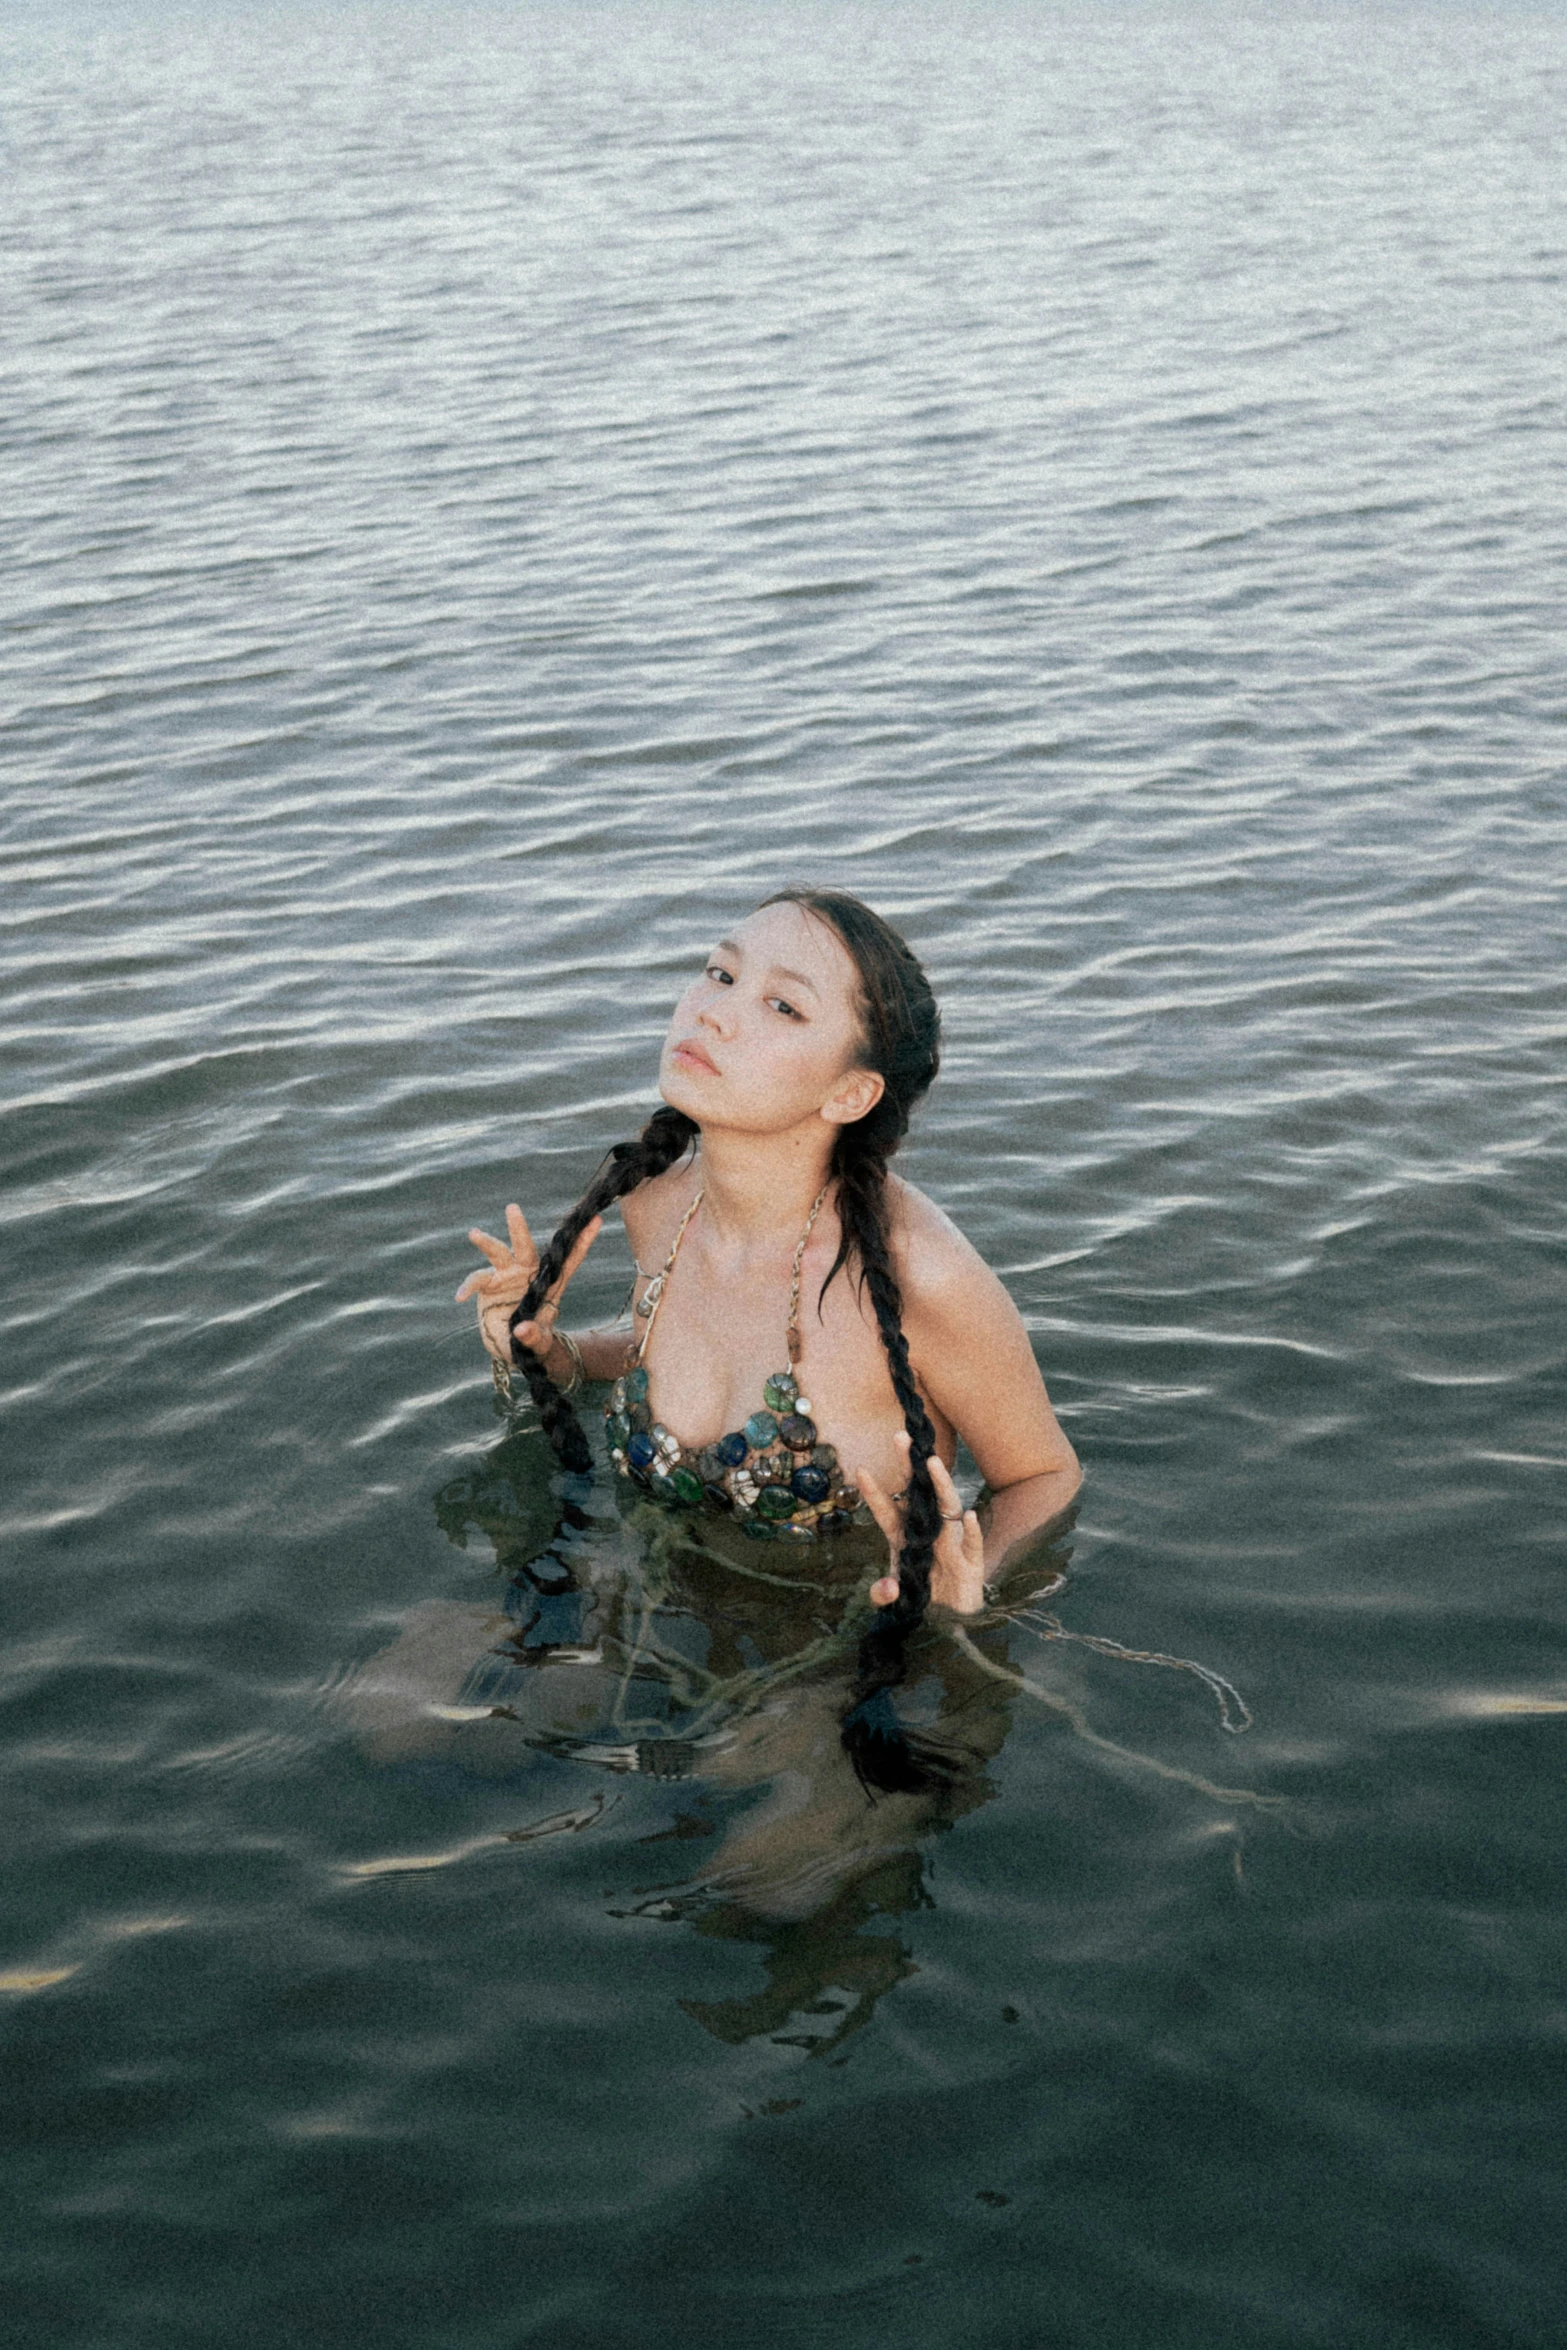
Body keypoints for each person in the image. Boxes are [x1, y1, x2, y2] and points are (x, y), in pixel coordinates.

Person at [455, 887, 1080, 1791]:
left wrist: (957, 1605)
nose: (715, 1009)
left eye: (780, 1005)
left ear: (850, 1091)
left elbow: (1044, 1473)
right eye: (719, 972)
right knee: (391, 1717)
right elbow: (655, 1342)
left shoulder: (919, 1278)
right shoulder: (655, 1204)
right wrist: (549, 1352)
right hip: (658, 1601)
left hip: (855, 1655)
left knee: (763, 1895)